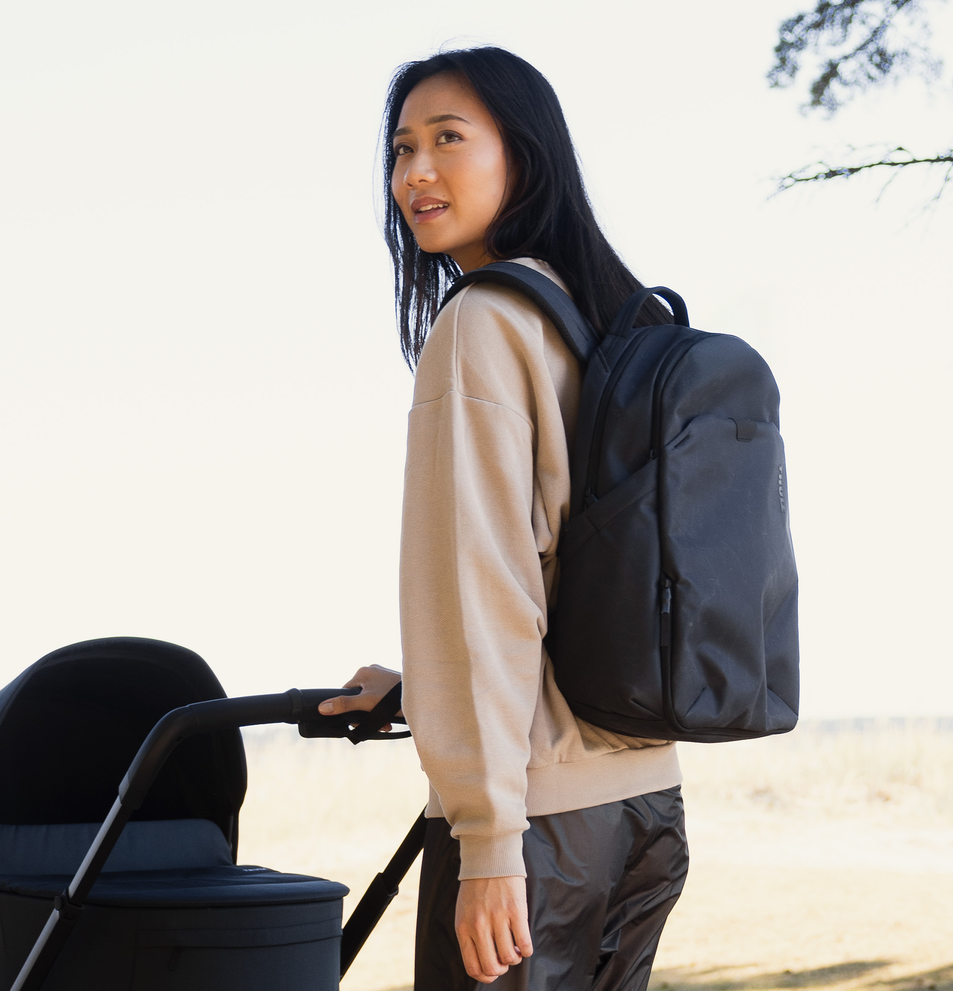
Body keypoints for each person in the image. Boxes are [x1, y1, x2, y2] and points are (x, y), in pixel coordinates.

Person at [318, 47, 689, 991]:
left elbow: (482, 587)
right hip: (643, 808)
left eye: (448, 138)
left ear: (523, 153)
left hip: (536, 828)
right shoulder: (606, 320)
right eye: (401, 149)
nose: (416, 172)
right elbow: (574, 577)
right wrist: (423, 690)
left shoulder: (482, 323)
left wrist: (487, 840)